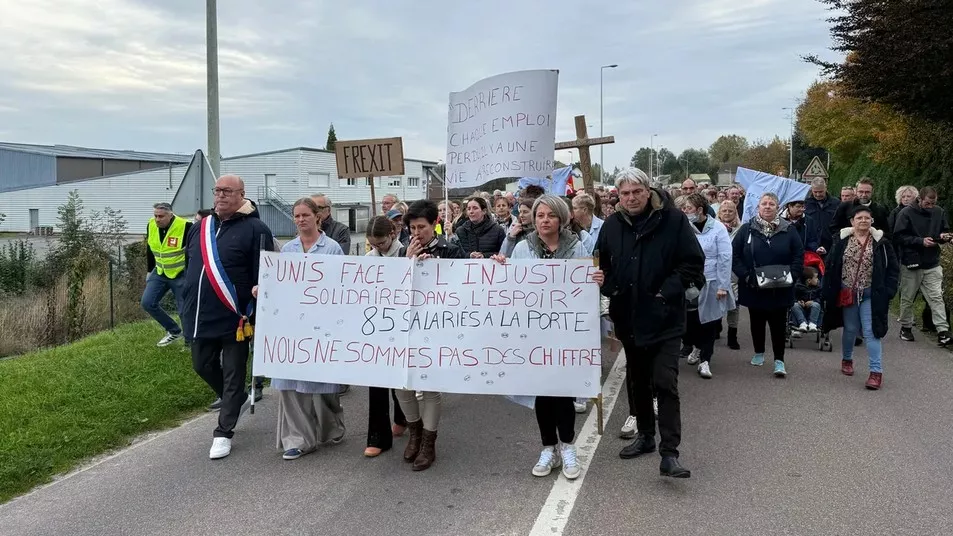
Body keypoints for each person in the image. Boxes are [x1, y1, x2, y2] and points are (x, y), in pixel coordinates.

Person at [598, 168, 705, 479]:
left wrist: (664, 292)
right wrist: (610, 286)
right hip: (629, 316)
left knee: (665, 381)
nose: (631, 198)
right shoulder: (612, 225)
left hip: (665, 317)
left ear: (648, 191)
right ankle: (645, 436)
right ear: (618, 196)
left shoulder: (673, 220)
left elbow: (693, 263)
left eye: (637, 192)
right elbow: (601, 263)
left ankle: (669, 453)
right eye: (625, 193)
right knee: (638, 380)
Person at [490, 194, 604, 480]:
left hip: (566, 334)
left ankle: (567, 446)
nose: (544, 220)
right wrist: (500, 267)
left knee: (562, 391)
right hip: (533, 334)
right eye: (540, 215)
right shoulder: (522, 249)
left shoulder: (577, 247)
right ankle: (548, 447)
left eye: (551, 215)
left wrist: (596, 280)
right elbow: (510, 287)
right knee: (541, 391)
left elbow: (586, 288)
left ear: (562, 218)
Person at [182, 175, 275, 459]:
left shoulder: (256, 229)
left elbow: (264, 274)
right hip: (201, 314)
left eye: (227, 191)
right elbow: (190, 266)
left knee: (234, 374)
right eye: (217, 190)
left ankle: (223, 432)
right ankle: (236, 400)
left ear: (241, 194)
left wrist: (258, 311)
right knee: (202, 364)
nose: (220, 195)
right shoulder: (200, 228)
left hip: (237, 317)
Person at [267, 198, 346, 460]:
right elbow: (279, 283)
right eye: (297, 216)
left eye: (305, 215)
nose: (301, 220)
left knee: (322, 383)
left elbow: (342, 284)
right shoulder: (288, 249)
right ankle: (298, 440)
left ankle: (331, 426)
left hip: (322, 324)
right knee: (290, 381)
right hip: (292, 325)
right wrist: (264, 289)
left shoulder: (332, 248)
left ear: (317, 217)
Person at [398, 200, 467, 471]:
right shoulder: (403, 251)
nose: (417, 233)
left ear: (434, 224)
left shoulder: (450, 250)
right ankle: (414, 435)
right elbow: (392, 288)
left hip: (437, 328)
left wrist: (435, 269)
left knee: (429, 385)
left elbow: (466, 286)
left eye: (422, 227)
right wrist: (408, 263)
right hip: (406, 327)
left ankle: (428, 442)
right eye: (412, 228)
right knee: (402, 385)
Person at [822, 205, 900, 390]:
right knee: (850, 329)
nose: (863, 221)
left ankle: (875, 372)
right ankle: (847, 359)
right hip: (847, 292)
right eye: (859, 218)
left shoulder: (881, 242)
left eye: (867, 218)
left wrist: (889, 291)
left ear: (872, 221)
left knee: (871, 331)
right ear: (852, 221)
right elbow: (831, 265)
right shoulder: (841, 240)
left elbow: (893, 268)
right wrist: (827, 290)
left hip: (871, 293)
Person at [732, 193, 804, 378]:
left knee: (778, 324)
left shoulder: (789, 229)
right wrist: (747, 276)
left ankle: (779, 360)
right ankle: (759, 352)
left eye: (771, 204)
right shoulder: (747, 229)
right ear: (758, 207)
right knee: (757, 320)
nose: (767, 206)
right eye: (764, 203)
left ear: (778, 207)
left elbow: (798, 255)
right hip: (754, 285)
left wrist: (792, 275)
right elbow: (735, 255)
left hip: (781, 286)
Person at [363, 216, 410, 457]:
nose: (377, 248)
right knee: (377, 381)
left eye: (381, 243)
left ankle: (403, 417)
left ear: (392, 234)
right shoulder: (368, 260)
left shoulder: (406, 253)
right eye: (373, 244)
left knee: (400, 380)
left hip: (403, 326)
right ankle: (378, 436)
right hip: (376, 327)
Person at [677, 194, 734, 379]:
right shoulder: (684, 228)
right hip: (690, 281)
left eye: (688, 208)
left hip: (712, 281)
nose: (685, 211)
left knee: (709, 322)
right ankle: (696, 346)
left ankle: (705, 360)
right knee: (689, 321)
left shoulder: (718, 228)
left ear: (699, 210)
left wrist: (723, 285)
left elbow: (725, 257)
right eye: (683, 208)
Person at [893, 186, 953, 345]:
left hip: (932, 261)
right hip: (912, 261)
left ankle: (943, 331)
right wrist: (920, 241)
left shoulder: (939, 212)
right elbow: (898, 237)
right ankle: (906, 327)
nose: (930, 206)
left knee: (936, 297)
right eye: (927, 203)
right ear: (919, 199)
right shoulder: (906, 213)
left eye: (933, 203)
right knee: (908, 297)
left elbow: (944, 229)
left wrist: (944, 236)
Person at [142, 202, 192, 347]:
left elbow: (193, 252)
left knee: (184, 310)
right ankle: (174, 331)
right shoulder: (151, 225)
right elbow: (150, 249)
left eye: (161, 216)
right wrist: (149, 271)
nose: (157, 219)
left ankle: (189, 342)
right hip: (160, 271)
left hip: (180, 274)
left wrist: (191, 274)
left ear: (170, 215)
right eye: (156, 216)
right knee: (147, 303)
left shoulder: (185, 226)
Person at [718, 202, 743, 350]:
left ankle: (732, 335)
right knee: (715, 302)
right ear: (719, 213)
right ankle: (715, 327)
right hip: (717, 271)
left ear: (735, 213)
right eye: (724, 210)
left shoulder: (741, 229)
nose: (727, 213)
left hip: (734, 272)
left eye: (730, 211)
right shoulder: (714, 228)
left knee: (734, 305)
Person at [805, 178, 840, 254]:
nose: (818, 194)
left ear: (826, 188)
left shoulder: (836, 203)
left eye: (821, 192)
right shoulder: (806, 203)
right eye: (815, 192)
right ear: (811, 189)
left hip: (831, 244)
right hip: (811, 246)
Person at [793, 266, 823, 332]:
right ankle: (802, 323)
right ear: (809, 280)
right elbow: (794, 297)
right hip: (802, 310)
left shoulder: (818, 287)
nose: (818, 279)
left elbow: (821, 298)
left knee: (816, 305)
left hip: (814, 310)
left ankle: (812, 323)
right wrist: (798, 301)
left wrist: (813, 301)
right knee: (794, 305)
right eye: (816, 277)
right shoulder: (798, 287)